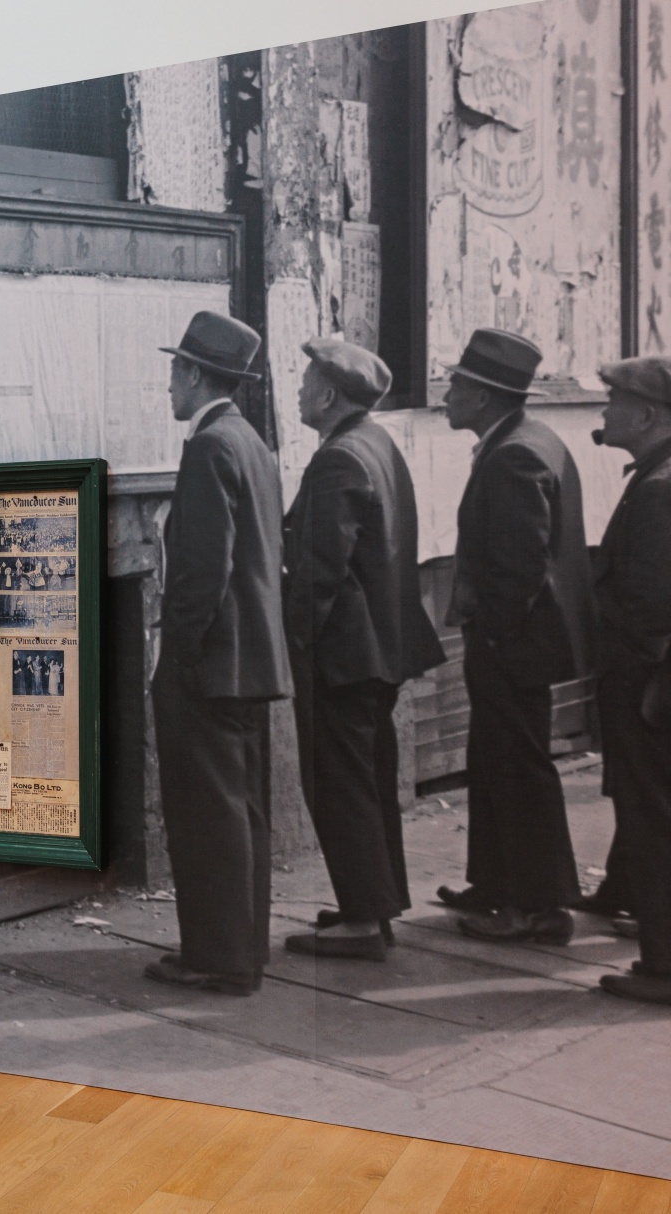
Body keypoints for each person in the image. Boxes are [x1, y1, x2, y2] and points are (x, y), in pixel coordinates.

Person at [280, 339, 445, 962]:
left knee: (341, 784)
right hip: (380, 650)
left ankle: (363, 921)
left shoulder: (338, 460)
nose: (297, 391)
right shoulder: (376, 443)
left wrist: (294, 643)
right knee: (370, 781)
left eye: (304, 382)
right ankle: (371, 904)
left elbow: (319, 571)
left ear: (327, 394)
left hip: (345, 656)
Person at [146, 310, 292, 997]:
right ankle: (242, 949)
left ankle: (218, 957)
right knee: (242, 811)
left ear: (197, 375)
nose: (168, 384)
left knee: (209, 815)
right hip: (252, 658)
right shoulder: (251, 443)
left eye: (175, 371)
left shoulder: (208, 448)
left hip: (213, 662)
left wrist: (177, 655)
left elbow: (203, 570)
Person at [438, 329, 595, 945]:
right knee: (495, 758)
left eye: (454, 385)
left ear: (481, 397)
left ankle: (539, 907)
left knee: (518, 767)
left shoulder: (514, 455)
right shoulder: (526, 439)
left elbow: (519, 567)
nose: (446, 394)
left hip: (515, 644)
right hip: (520, 640)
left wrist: (495, 639)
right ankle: (497, 884)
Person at [587, 357, 671, 1004]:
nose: (605, 410)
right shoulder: (654, 476)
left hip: (648, 692)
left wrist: (636, 693)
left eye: (613, 400)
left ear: (645, 416)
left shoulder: (659, 489)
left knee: (652, 822)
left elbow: (647, 611)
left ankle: (664, 967)